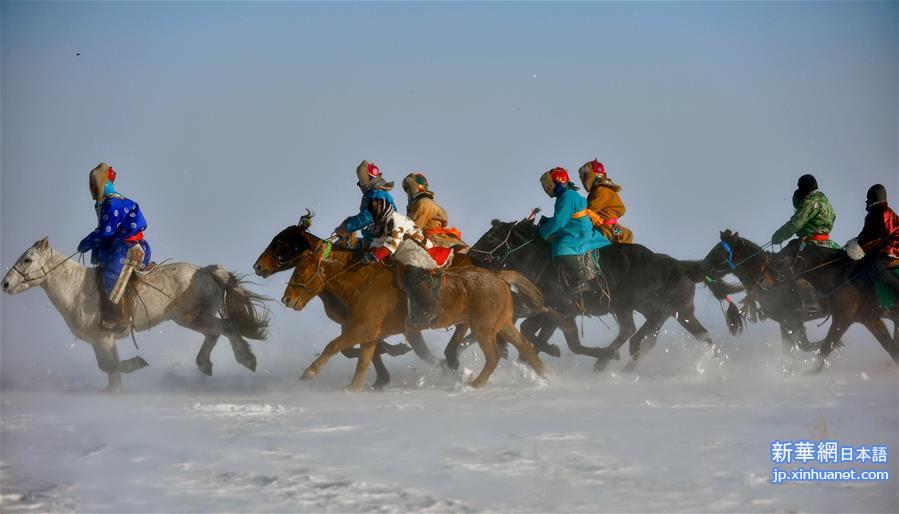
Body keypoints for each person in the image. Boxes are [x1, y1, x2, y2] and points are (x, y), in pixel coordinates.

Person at [358, 194, 453, 328]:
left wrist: (374, 256)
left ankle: (432, 307)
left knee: (411, 276)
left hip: (416, 249)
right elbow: (377, 242)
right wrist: (369, 253)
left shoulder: (396, 220)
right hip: (402, 251)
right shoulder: (380, 223)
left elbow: (391, 245)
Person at [77, 163, 151, 331]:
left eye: (93, 183)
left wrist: (87, 243)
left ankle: (120, 318)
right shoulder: (104, 203)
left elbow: (105, 232)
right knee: (100, 265)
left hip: (130, 245)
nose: (91, 187)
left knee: (111, 274)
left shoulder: (112, 203)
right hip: (117, 245)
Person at [537, 167, 611, 296]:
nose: (549, 188)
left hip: (577, 232)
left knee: (561, 247)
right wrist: (547, 223)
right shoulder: (567, 195)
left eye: (550, 184)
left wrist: (541, 233)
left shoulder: (567, 196)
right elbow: (562, 218)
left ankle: (580, 281)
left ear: (559, 182)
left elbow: (560, 221)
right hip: (575, 227)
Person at [845, 184, 899, 296]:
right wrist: (855, 243)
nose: (866, 202)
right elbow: (866, 234)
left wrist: (859, 247)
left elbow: (880, 237)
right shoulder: (874, 214)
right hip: (881, 248)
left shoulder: (884, 214)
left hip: (893, 248)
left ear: (874, 199)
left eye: (869, 199)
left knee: (876, 267)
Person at [335, 160, 397, 245]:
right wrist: (348, 222)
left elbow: (368, 217)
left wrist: (347, 227)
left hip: (380, 239)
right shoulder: (377, 193)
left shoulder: (377, 194)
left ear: (367, 179)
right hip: (374, 237)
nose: (360, 184)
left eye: (361, 181)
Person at [771, 174, 840, 249]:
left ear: (802, 189)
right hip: (827, 242)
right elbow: (833, 216)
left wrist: (778, 236)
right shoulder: (822, 198)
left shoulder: (809, 201)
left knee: (783, 258)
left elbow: (796, 223)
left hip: (812, 244)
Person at [402, 172, 466, 251]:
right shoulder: (424, 202)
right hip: (435, 238)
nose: (407, 191)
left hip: (435, 241)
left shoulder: (424, 203)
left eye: (407, 188)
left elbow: (412, 227)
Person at [577, 159, 633, 243]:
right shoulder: (608, 190)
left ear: (590, 177)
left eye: (585, 176)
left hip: (604, 229)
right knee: (628, 234)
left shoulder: (600, 191)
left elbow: (589, 213)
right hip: (615, 228)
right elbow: (622, 210)